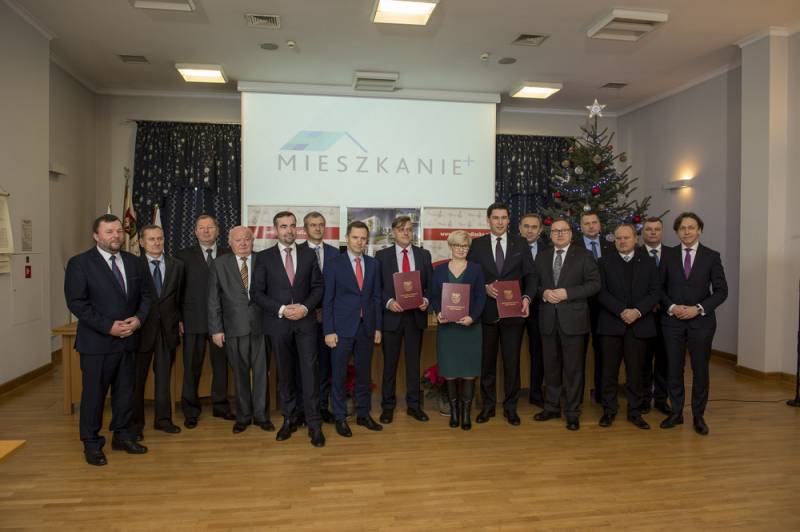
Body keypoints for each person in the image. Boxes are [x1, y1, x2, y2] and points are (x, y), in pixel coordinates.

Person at [64, 214, 151, 466]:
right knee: (94, 396)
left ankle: (122, 436)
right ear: (96, 236)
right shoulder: (80, 264)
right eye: (109, 232)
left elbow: (146, 296)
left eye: (119, 231)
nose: (116, 236)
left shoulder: (134, 262)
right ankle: (92, 444)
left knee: (126, 393)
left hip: (129, 340)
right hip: (97, 343)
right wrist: (108, 327)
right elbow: (77, 303)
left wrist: (138, 319)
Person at [251, 211, 325, 447]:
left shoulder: (309, 254)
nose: (289, 230)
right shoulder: (264, 257)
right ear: (275, 230)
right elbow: (257, 293)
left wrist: (304, 307)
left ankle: (314, 425)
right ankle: (289, 419)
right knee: (284, 375)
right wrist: (282, 309)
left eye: (292, 225)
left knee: (310, 374)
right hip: (278, 324)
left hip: (305, 323)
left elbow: (318, 287)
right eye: (284, 226)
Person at [466, 202, 535, 426]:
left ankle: (510, 407)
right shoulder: (477, 245)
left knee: (512, 363)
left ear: (509, 220)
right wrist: (484, 287)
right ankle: (487, 407)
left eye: (503, 218)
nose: (499, 222)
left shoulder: (520, 243)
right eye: (495, 218)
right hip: (486, 313)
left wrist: (527, 298)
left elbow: (531, 276)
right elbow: (470, 277)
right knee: (487, 363)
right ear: (488, 220)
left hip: (513, 313)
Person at [659, 213, 728, 436]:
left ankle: (698, 416)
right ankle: (676, 412)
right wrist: (672, 307)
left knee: (700, 369)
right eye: (682, 228)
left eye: (691, 227)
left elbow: (721, 291)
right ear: (677, 232)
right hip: (672, 322)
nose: (687, 231)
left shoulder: (712, 256)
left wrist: (698, 308)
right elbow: (658, 288)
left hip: (702, 322)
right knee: (674, 368)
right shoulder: (667, 255)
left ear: (699, 230)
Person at [533, 219, 600, 431]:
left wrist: (567, 293)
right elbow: (534, 284)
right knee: (551, 368)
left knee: (573, 369)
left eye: (563, 230)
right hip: (548, 321)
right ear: (550, 234)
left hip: (574, 321)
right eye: (555, 231)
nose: (559, 234)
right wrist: (543, 293)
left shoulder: (584, 255)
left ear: (571, 233)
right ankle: (552, 407)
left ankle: (572, 412)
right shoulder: (542, 257)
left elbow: (594, 284)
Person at [208, 226, 274, 434]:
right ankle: (243, 416)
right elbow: (213, 300)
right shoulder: (219, 264)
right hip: (234, 328)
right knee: (240, 374)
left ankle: (262, 416)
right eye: (238, 240)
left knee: (262, 373)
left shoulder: (263, 260)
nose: (243, 243)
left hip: (262, 327)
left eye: (247, 239)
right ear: (230, 243)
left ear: (253, 241)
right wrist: (216, 329)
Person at [596, 224, 660, 430]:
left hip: (639, 325)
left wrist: (637, 311)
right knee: (608, 372)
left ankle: (635, 412)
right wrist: (621, 311)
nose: (622, 241)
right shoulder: (604, 262)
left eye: (626, 238)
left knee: (636, 373)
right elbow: (601, 292)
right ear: (614, 241)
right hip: (611, 325)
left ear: (635, 239)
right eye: (618, 238)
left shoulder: (648, 262)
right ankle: (609, 410)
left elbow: (655, 291)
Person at [323, 221, 383, 438]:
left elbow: (376, 298)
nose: (359, 242)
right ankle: (340, 417)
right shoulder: (334, 264)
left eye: (363, 238)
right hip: (340, 330)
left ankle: (363, 414)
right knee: (339, 375)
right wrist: (328, 330)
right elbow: (328, 300)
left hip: (366, 328)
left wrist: (377, 327)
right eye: (355, 237)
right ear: (347, 238)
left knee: (364, 375)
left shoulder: (373, 264)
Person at [175, 215, 233, 428]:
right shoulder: (182, 256)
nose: (206, 231)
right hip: (193, 320)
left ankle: (221, 406)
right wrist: (179, 318)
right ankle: (190, 410)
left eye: (210, 227)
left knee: (221, 366)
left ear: (218, 231)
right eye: (202, 227)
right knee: (192, 367)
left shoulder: (229, 254)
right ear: (195, 231)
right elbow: (176, 289)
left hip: (222, 322)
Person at [375, 216, 433, 424]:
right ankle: (387, 407)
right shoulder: (381, 256)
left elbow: (430, 285)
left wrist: (426, 300)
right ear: (393, 233)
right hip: (392, 317)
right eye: (401, 229)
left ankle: (414, 406)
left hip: (415, 317)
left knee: (413, 365)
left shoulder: (424, 255)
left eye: (409, 229)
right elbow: (377, 287)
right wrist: (389, 301)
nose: (406, 233)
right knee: (389, 365)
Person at [430, 230, 486, 430]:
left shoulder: (476, 269)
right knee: (450, 372)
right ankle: (454, 412)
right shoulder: (439, 270)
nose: (461, 249)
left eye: (465, 246)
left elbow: (480, 297)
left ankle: (466, 414)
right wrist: (438, 312)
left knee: (469, 372)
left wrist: (473, 317)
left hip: (470, 328)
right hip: (448, 329)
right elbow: (434, 296)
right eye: (457, 245)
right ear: (451, 247)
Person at [132, 224, 184, 439]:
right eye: (151, 239)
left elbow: (180, 296)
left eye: (160, 238)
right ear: (142, 242)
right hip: (141, 330)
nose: (156, 243)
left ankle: (163, 420)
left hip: (167, 329)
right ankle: (135, 424)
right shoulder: (133, 266)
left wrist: (180, 319)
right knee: (137, 380)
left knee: (163, 378)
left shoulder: (176, 265)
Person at [297, 211, 340, 424]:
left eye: (321, 224)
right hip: (304, 318)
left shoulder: (335, 253)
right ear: (305, 229)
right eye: (313, 225)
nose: (317, 228)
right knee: (303, 366)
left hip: (328, 319)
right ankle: (303, 410)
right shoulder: (296, 252)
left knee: (324, 366)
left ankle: (322, 407)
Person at [578, 211, 614, 404]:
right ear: (580, 227)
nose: (591, 226)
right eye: (587, 223)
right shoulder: (573, 247)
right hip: (581, 306)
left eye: (594, 222)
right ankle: (578, 395)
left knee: (603, 351)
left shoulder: (612, 246)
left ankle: (601, 393)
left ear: (600, 225)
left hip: (606, 308)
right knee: (579, 352)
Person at [639, 217, 672, 416]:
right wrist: (647, 304)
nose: (652, 232)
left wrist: (664, 303)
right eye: (648, 229)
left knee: (664, 360)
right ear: (642, 233)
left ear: (662, 232)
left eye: (657, 229)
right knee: (643, 360)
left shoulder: (673, 254)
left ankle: (661, 399)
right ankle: (644, 399)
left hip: (668, 317)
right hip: (644, 316)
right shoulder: (635, 254)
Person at [519, 213, 547, 407]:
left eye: (534, 227)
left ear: (540, 230)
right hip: (513, 307)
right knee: (510, 351)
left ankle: (536, 394)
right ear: (519, 228)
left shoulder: (548, 250)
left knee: (538, 353)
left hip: (540, 309)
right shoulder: (511, 247)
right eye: (526, 226)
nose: (529, 230)